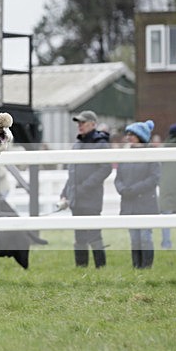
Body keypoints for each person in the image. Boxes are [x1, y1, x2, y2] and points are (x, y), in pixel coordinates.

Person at [58, 110, 112, 268]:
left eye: (83, 122)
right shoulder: (77, 144)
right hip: (77, 198)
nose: (79, 126)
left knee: (94, 235)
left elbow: (105, 168)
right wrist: (65, 192)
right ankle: (81, 268)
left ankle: (100, 267)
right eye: (78, 123)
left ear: (93, 124)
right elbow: (72, 172)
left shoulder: (101, 144)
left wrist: (84, 187)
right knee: (79, 236)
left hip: (91, 198)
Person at [115, 120, 160, 269]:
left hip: (145, 203)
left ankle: (147, 267)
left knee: (145, 237)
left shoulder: (151, 155)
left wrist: (134, 189)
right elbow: (118, 178)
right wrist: (122, 189)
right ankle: (137, 267)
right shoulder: (125, 155)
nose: (128, 137)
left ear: (140, 136)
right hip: (129, 203)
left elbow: (154, 178)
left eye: (132, 134)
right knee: (134, 238)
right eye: (128, 134)